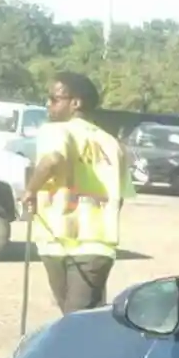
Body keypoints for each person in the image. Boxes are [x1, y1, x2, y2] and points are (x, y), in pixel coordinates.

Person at [21, 70, 132, 313]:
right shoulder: (114, 145)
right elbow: (120, 198)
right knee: (80, 316)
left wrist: (30, 190)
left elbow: (52, 160)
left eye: (54, 99)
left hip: (56, 238)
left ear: (76, 103)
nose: (48, 105)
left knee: (74, 319)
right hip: (98, 244)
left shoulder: (56, 130)